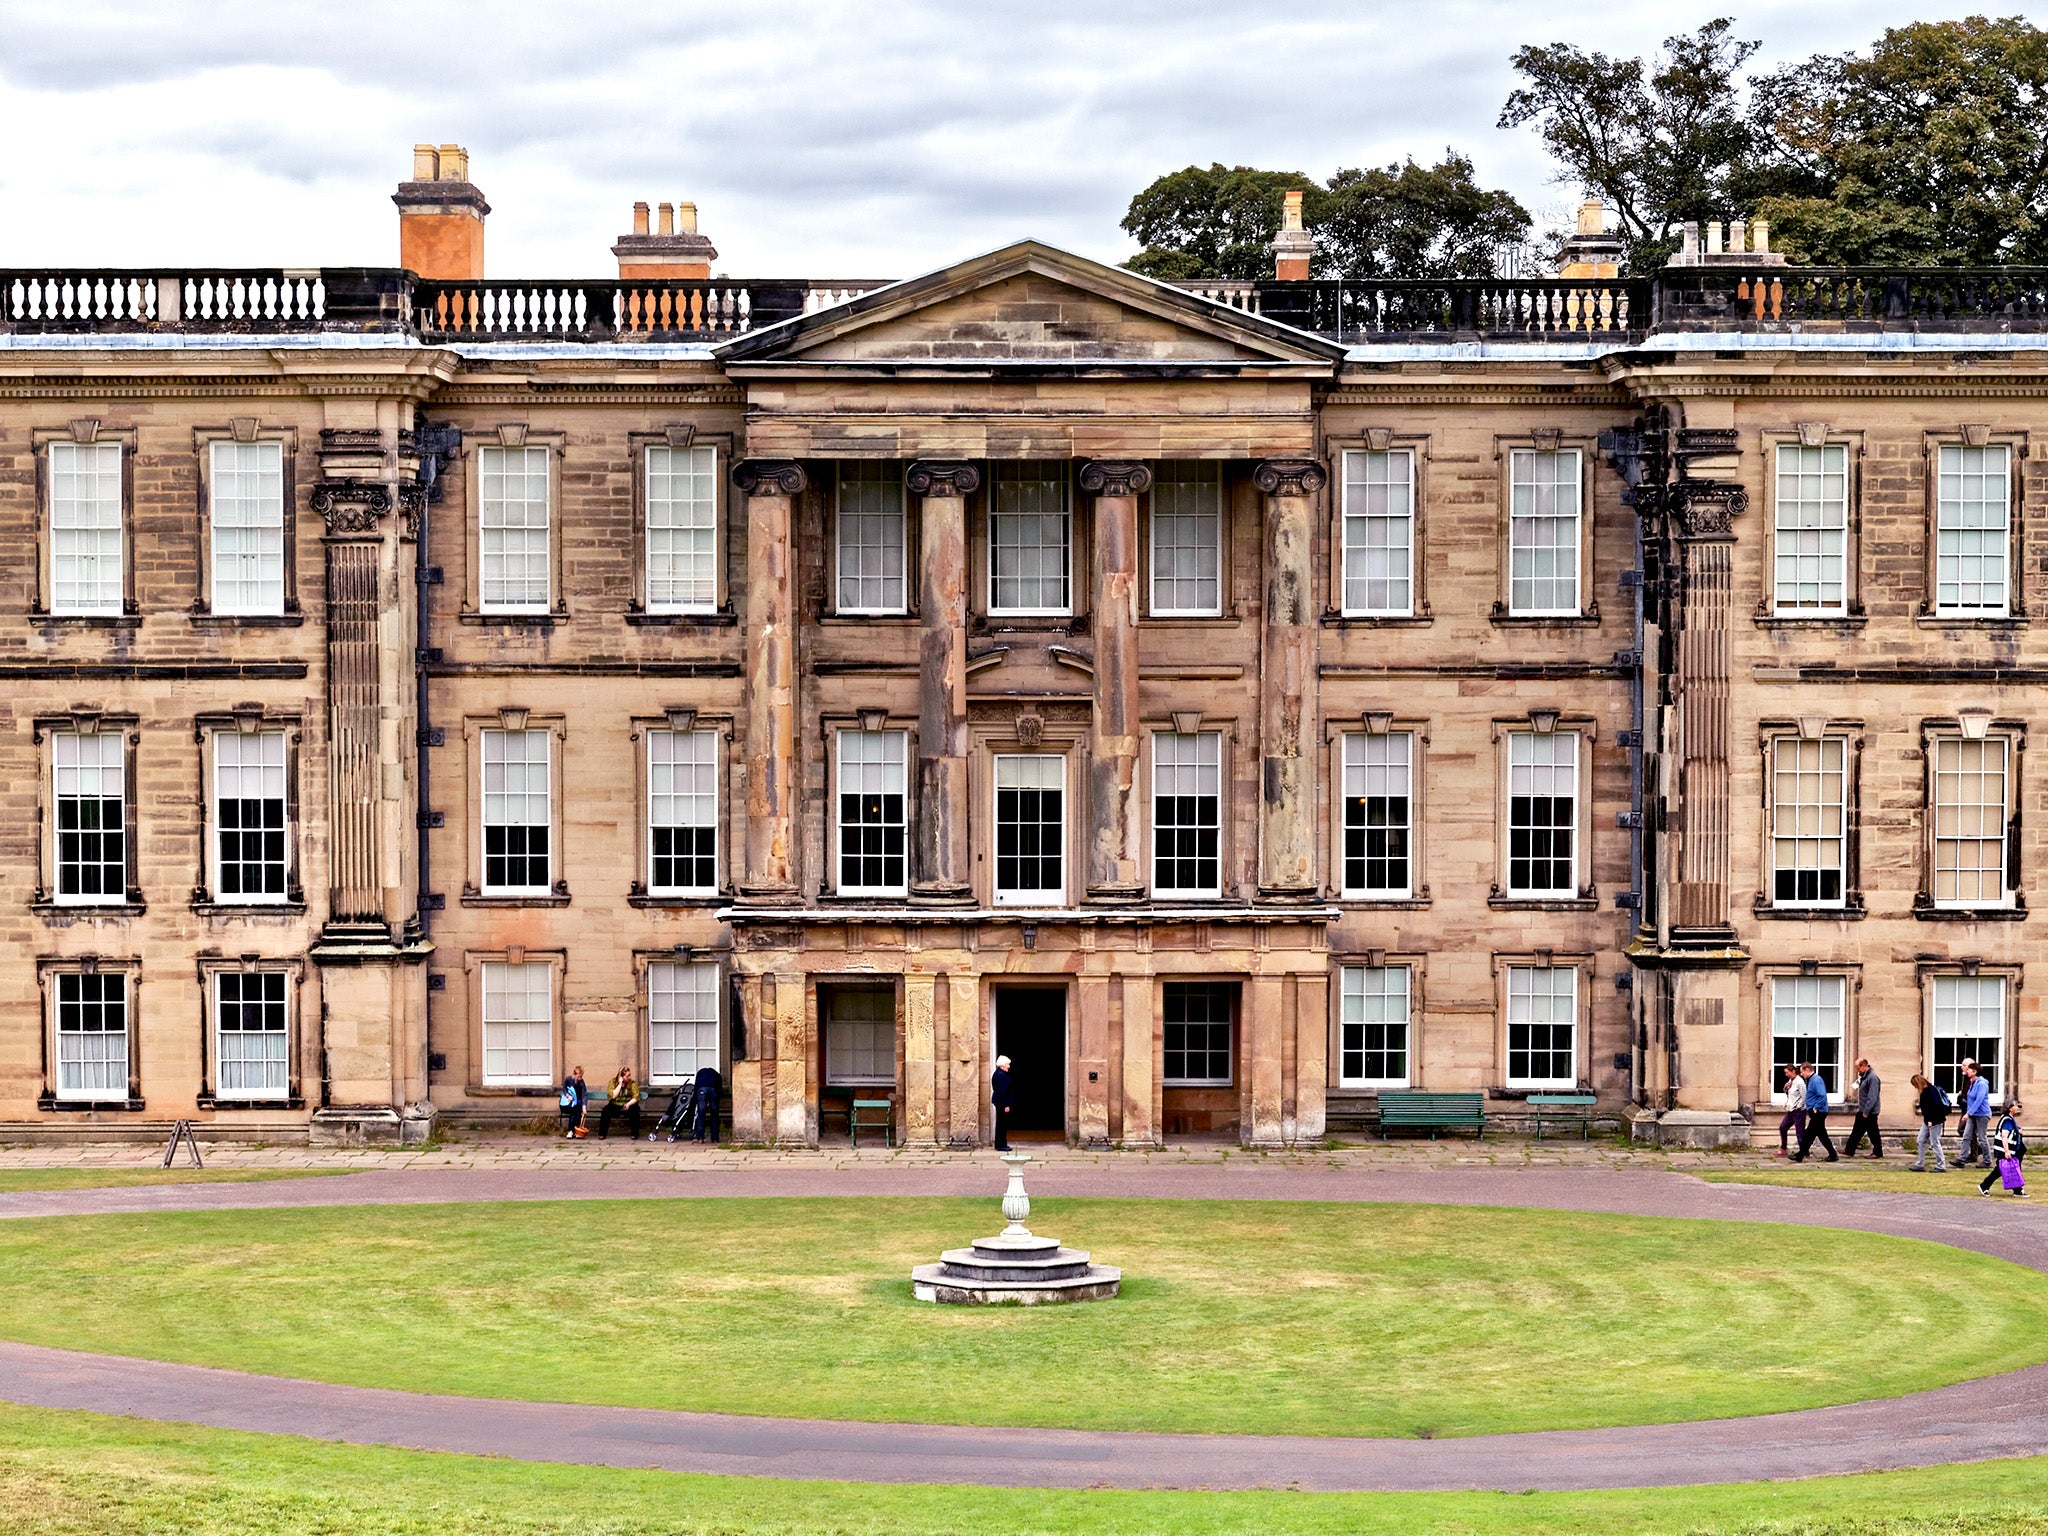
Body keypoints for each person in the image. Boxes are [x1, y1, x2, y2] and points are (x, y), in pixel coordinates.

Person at [1790, 1061, 1838, 1162]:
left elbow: (1822, 1095)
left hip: (1818, 1112)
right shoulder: (1812, 1080)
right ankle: (1833, 1154)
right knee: (1821, 1135)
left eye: (1802, 1072)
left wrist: (1816, 1107)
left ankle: (1800, 1155)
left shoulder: (1816, 1080)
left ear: (1807, 1070)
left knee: (1808, 1134)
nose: (1801, 1074)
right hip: (1816, 1111)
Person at [1982, 1102, 2028, 1198]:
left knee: (2007, 1169)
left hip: (2010, 1150)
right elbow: (2004, 1136)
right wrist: (2007, 1151)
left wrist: (2018, 1131)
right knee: (2002, 1169)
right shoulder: (2007, 1120)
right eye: (2015, 1106)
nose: (2017, 1107)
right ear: (2009, 1108)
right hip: (2005, 1150)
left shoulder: (2009, 1119)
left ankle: (2017, 1190)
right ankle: (1984, 1185)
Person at [1908, 1072, 1951, 1172]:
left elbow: (1935, 1107)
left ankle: (1941, 1165)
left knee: (1934, 1143)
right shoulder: (1930, 1090)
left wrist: (1931, 1120)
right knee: (1920, 1140)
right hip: (1928, 1120)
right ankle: (1920, 1163)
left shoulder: (1930, 1092)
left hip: (1934, 1120)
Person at [1843, 1058, 1884, 1158]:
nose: (1858, 1071)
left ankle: (1878, 1152)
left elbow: (1872, 1097)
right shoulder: (1865, 1077)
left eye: (1858, 1068)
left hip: (1869, 1111)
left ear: (1863, 1066)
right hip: (1863, 1110)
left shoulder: (1872, 1078)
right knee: (1857, 1130)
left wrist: (1866, 1112)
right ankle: (1849, 1150)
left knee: (1873, 1133)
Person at [1958, 1061, 1993, 1168]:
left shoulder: (1982, 1083)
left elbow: (1979, 1100)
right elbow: (1971, 1099)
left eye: (1968, 1069)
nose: (1966, 1071)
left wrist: (1968, 1113)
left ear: (1974, 1071)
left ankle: (1987, 1160)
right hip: (1972, 1114)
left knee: (1982, 1138)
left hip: (1982, 1114)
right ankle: (1961, 1159)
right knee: (1966, 1136)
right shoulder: (1972, 1082)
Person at [597, 1065, 641, 1140]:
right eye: (627, 1076)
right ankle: (602, 1134)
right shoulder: (613, 1082)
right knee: (605, 1111)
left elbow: (636, 1097)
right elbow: (613, 1096)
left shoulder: (632, 1083)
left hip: (628, 1104)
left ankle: (635, 1134)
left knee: (635, 1110)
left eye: (629, 1075)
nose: (629, 1077)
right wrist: (620, 1084)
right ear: (621, 1076)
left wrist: (628, 1104)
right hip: (615, 1105)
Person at [1775, 1063, 1807, 1156]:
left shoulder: (1800, 1082)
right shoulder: (1791, 1081)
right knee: (1783, 1127)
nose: (1786, 1074)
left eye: (1787, 1072)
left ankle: (1804, 1151)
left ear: (1793, 1071)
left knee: (1800, 1132)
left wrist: (1799, 1105)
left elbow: (1804, 1096)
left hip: (1799, 1111)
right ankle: (1783, 1148)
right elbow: (1790, 1095)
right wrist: (1786, 1088)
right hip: (1791, 1110)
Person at [689, 1063, 722, 1143]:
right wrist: (717, 1100)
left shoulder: (700, 1073)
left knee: (701, 1114)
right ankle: (715, 1139)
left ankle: (700, 1137)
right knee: (714, 1114)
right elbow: (720, 1089)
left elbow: (696, 1087)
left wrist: (697, 1101)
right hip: (714, 1090)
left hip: (702, 1090)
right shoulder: (716, 1075)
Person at [558, 1065, 588, 1139]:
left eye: (581, 1077)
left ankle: (575, 1131)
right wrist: (568, 1096)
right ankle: (572, 1131)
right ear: (574, 1074)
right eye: (578, 1077)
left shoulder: (581, 1082)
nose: (580, 1078)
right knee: (574, 1111)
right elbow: (564, 1089)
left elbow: (584, 1094)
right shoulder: (568, 1079)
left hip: (578, 1101)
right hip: (568, 1103)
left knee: (577, 1110)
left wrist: (584, 1107)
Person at [991, 1054, 1014, 1151]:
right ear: (1002, 1065)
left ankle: (1000, 1144)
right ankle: (1001, 1145)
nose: (1009, 1066)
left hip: (999, 1102)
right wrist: (1006, 1105)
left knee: (1001, 1123)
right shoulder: (1001, 1075)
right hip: (1002, 1103)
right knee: (1002, 1124)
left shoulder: (998, 1073)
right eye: (1008, 1064)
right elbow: (1002, 1091)